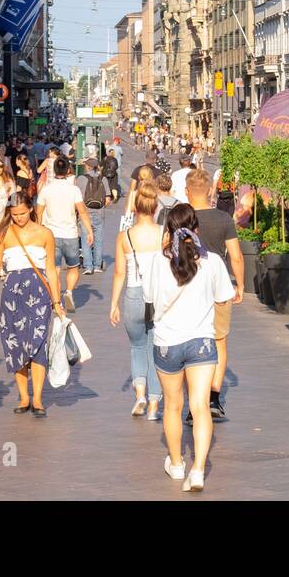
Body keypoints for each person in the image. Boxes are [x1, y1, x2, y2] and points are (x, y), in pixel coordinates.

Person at [147, 205, 235, 492]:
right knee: (200, 407)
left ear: (168, 231)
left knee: (173, 406)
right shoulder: (211, 261)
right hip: (201, 341)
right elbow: (225, 298)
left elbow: (150, 299)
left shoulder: (158, 262)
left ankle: (176, 463)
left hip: (167, 342)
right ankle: (197, 470)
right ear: (196, 229)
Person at [0, 194, 64, 417]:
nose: (19, 218)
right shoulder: (4, 235)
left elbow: (52, 270)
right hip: (12, 295)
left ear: (31, 209)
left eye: (23, 213)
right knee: (15, 343)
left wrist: (57, 301)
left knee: (38, 342)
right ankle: (24, 396)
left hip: (39, 293)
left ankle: (37, 397)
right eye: (14, 215)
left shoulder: (45, 234)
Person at [186, 168, 245, 421]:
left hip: (188, 286)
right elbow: (236, 256)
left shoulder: (182, 218)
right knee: (219, 341)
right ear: (211, 190)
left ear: (188, 193)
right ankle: (213, 398)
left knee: (191, 341)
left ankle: (193, 403)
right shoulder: (223, 219)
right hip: (219, 286)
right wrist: (239, 285)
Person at [110, 180, 164, 420]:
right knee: (156, 350)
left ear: (136, 207)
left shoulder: (125, 237)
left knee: (137, 347)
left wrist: (113, 304)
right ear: (155, 208)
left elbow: (119, 273)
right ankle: (154, 405)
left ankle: (140, 395)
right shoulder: (164, 234)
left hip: (133, 293)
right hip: (159, 297)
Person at [35, 155, 94, 313]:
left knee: (54, 269)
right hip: (70, 234)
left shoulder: (46, 189)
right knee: (73, 267)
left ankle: (56, 301)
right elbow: (82, 211)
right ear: (68, 170)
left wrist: (39, 229)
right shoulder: (73, 189)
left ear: (53, 171)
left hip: (51, 234)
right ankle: (68, 292)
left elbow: (38, 212)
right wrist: (89, 231)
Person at [76, 157, 111, 276]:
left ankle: (88, 266)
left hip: (85, 213)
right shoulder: (104, 179)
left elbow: (78, 198)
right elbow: (107, 199)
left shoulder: (81, 179)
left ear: (88, 166)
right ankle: (97, 266)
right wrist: (100, 207)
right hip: (99, 213)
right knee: (99, 240)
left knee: (86, 239)